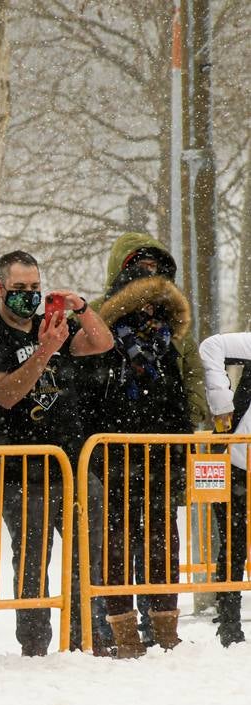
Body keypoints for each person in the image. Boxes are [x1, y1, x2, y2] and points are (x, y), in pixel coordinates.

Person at [0, 250, 115, 656]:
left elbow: (102, 343)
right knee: (32, 559)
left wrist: (81, 309)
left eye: (35, 289)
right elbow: (5, 394)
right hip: (20, 468)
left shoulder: (51, 324)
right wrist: (45, 352)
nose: (29, 297)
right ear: (0, 289)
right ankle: (35, 643)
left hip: (71, 462)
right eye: (19, 289)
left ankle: (86, 633)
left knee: (88, 551)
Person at [91, 234, 194, 657]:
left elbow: (183, 394)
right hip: (114, 454)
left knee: (163, 539)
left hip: (161, 453)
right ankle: (123, 635)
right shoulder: (102, 331)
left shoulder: (168, 339)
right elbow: (92, 393)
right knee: (116, 540)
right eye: (140, 270)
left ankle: (166, 631)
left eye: (156, 273)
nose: (149, 283)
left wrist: (184, 442)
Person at [200, 331, 251, 646]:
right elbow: (211, 345)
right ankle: (229, 624)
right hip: (237, 460)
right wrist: (221, 401)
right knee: (233, 543)